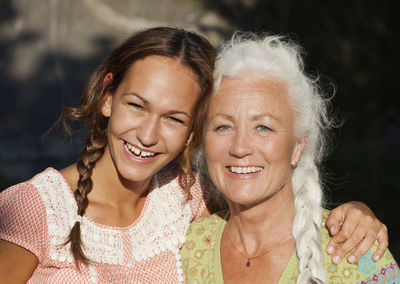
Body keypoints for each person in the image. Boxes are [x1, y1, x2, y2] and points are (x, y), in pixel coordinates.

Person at [0, 27, 389, 283]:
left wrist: (356, 212)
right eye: (137, 105)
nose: (148, 135)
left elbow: (264, 197)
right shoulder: (32, 210)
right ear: (107, 97)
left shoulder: (187, 197)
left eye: (173, 118)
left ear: (190, 134)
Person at [180, 33, 399, 283]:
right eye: (223, 127)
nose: (240, 148)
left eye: (263, 127)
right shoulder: (180, 251)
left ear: (297, 146)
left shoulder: (355, 253)